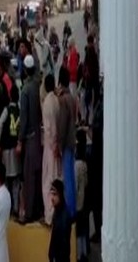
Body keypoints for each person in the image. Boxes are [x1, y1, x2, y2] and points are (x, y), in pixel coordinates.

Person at [17, 55, 43, 223]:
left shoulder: (26, 89)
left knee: (29, 177)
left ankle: (29, 214)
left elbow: (24, 118)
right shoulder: (37, 85)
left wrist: (20, 141)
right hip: (38, 135)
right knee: (38, 174)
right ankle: (38, 209)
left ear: (25, 70)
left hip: (30, 138)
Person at [0, 84, 21, 216]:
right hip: (16, 148)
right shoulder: (19, 111)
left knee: (6, 180)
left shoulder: (6, 110)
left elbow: (0, 125)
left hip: (6, 149)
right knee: (16, 180)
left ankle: (7, 207)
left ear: (10, 96)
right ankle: (16, 208)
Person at [57, 67, 77, 219]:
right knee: (71, 176)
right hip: (72, 140)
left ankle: (70, 211)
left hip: (66, 143)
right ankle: (73, 207)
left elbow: (62, 125)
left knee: (68, 178)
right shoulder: (72, 98)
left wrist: (59, 144)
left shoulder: (63, 100)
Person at [41, 74, 61, 226]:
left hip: (50, 147)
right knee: (55, 177)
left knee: (48, 180)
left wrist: (53, 145)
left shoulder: (47, 102)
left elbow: (49, 128)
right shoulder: (55, 100)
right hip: (56, 146)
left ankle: (50, 215)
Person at [48, 179, 72, 262]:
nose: (52, 198)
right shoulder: (57, 211)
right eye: (51, 194)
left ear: (60, 195)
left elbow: (63, 245)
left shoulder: (64, 216)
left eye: (55, 194)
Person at [75, 131, 89, 262]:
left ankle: (79, 255)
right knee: (84, 229)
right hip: (85, 202)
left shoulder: (77, 165)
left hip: (78, 203)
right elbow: (85, 183)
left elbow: (75, 185)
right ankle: (84, 253)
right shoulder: (85, 162)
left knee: (78, 230)